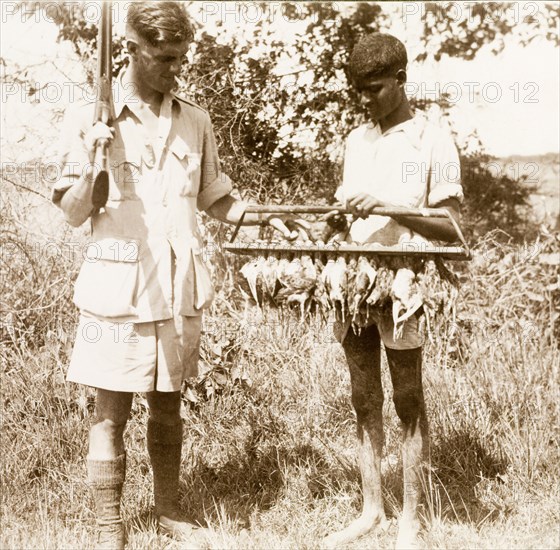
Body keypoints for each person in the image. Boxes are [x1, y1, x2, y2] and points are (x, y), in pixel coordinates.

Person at [52, 3, 302, 548]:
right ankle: (107, 525)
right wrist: (94, 160)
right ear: (132, 50)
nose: (175, 69)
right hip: (118, 291)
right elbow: (74, 213)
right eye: (165, 58)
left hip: (177, 287)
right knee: (111, 411)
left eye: (181, 59)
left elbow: (217, 199)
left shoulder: (195, 119)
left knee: (168, 406)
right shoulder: (90, 118)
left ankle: (170, 511)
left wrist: (266, 216)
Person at [322, 33, 464, 549]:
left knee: (407, 397)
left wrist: (385, 206)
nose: (365, 100)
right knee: (363, 398)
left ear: (401, 80)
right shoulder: (357, 141)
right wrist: (334, 225)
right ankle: (371, 509)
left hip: (405, 280)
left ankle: (411, 517)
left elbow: (452, 226)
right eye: (358, 90)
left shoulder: (431, 135)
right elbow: (345, 220)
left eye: (375, 89)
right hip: (356, 280)